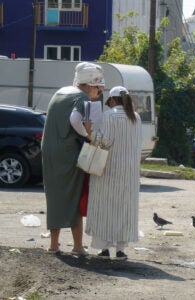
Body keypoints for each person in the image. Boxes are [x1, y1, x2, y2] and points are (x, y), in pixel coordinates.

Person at [42, 62, 105, 255]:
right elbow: (75, 120)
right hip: (69, 152)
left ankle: (54, 244)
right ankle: (78, 246)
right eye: (99, 89)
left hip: (50, 151)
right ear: (91, 84)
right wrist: (88, 136)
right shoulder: (82, 97)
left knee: (55, 196)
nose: (99, 93)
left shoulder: (60, 93)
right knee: (74, 196)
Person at [85, 86, 142, 259]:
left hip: (108, 170)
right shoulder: (136, 117)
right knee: (125, 209)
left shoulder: (109, 115)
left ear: (111, 100)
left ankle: (104, 249)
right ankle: (121, 250)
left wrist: (90, 133)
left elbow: (105, 141)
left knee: (105, 208)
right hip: (130, 172)